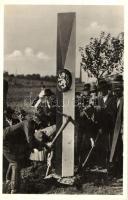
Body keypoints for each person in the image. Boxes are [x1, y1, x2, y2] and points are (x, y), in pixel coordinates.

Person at [94, 80, 117, 169]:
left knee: (110, 144)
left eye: (103, 89)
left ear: (107, 89)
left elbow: (113, 112)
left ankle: (110, 163)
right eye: (100, 90)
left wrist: (104, 111)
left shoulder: (112, 98)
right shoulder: (99, 99)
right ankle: (102, 163)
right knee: (101, 145)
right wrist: (99, 126)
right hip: (100, 127)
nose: (101, 92)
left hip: (110, 126)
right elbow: (97, 113)